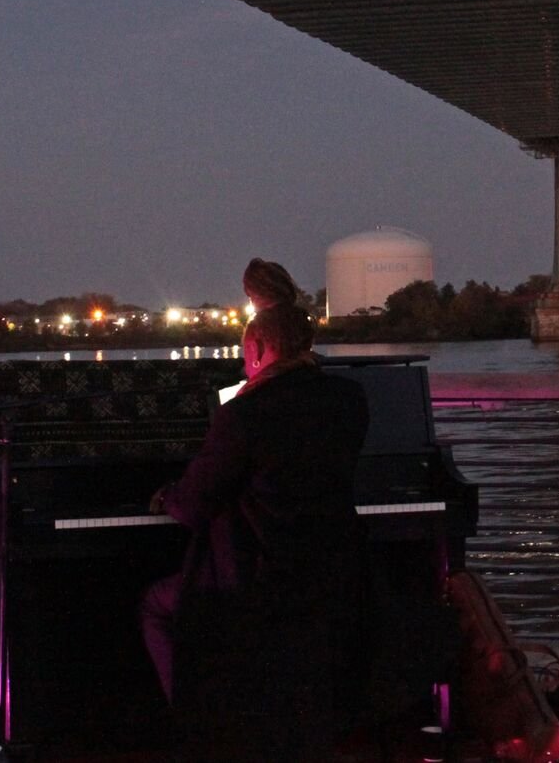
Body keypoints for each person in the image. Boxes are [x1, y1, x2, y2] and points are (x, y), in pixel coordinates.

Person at [140, 258, 368, 759]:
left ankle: (198, 728)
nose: (246, 367)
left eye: (247, 356)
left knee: (158, 605)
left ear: (260, 349)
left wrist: (166, 497)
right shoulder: (350, 400)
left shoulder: (242, 413)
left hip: (257, 586)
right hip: (330, 577)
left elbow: (194, 508)